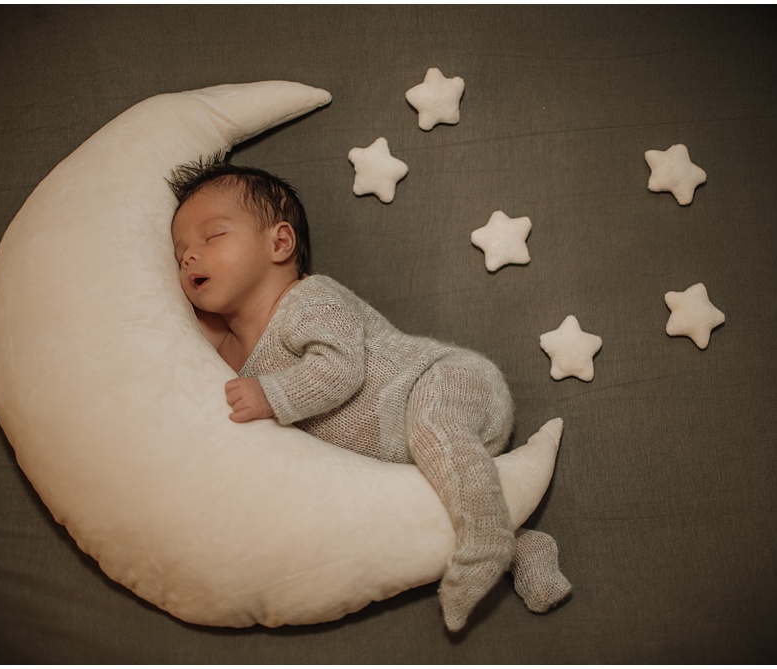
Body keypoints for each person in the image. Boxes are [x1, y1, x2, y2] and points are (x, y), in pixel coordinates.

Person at [167, 157, 571, 631]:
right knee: (430, 500)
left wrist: (272, 394)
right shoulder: (227, 352)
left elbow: (340, 370)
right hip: (406, 454)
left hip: (441, 381)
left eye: (213, 236)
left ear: (279, 243)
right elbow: (167, 339)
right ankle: (524, 545)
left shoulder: (308, 299)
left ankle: (486, 542)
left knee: (433, 429)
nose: (191, 255)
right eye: (180, 254)